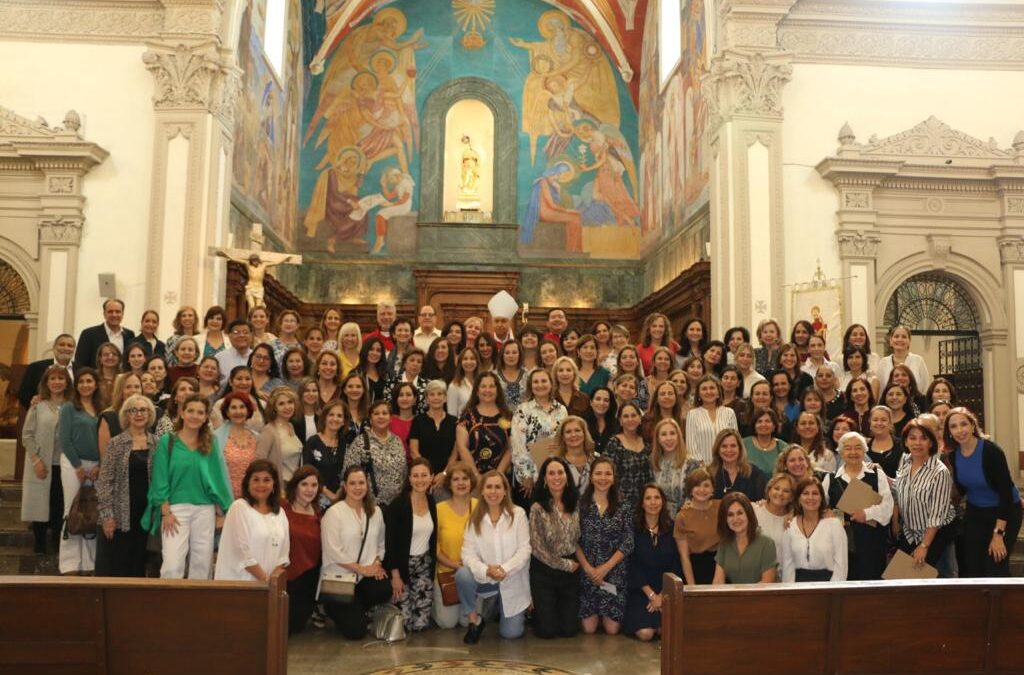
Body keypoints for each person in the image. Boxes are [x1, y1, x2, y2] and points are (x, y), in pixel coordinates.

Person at [143, 395, 234, 579]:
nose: (195, 416)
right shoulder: (168, 441)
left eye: (200, 412)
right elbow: (159, 477)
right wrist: (165, 511)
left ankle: (198, 598)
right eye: (190, 411)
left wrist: (224, 511)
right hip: (175, 510)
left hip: (205, 509)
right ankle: (169, 599)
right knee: (172, 566)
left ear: (206, 417)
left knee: (202, 566)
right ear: (182, 413)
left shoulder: (211, 442)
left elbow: (218, 478)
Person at [945, 407, 1022, 577]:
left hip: (1005, 512)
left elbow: (1006, 495)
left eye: (964, 424)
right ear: (949, 432)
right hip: (977, 513)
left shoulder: (991, 451)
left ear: (973, 425)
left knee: (995, 566)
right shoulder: (953, 456)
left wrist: (998, 534)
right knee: (973, 568)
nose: (960, 430)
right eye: (954, 426)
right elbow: (962, 489)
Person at [458, 471, 532, 643]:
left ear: (505, 491)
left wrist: (504, 569)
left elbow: (524, 550)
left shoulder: (518, 514)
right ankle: (475, 620)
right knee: (462, 574)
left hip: (512, 579)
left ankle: (495, 607)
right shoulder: (474, 519)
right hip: (486, 580)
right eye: (489, 487)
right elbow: (467, 554)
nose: (493, 491)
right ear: (482, 491)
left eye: (498, 487)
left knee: (511, 634)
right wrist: (486, 570)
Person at [320, 466, 390, 639]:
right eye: (352, 483)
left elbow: (381, 543)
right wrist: (362, 569)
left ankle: (356, 608)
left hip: (363, 579)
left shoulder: (375, 512)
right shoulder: (334, 513)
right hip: (340, 580)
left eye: (361, 483)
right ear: (344, 486)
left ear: (367, 485)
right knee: (356, 633)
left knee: (384, 588)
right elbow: (333, 550)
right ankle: (332, 608)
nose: (357, 487)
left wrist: (377, 563)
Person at [95, 395, 158, 577]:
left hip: (147, 514)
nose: (139, 414)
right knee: (119, 564)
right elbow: (104, 481)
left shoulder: (157, 442)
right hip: (120, 515)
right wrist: (107, 516)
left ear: (150, 414)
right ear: (126, 415)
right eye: (133, 410)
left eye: (143, 410)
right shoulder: (116, 443)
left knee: (141, 563)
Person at [822, 431, 893, 580]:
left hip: (872, 544)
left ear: (865, 451)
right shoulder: (830, 479)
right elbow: (820, 509)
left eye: (858, 447)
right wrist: (834, 516)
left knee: (872, 584)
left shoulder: (877, 474)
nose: (853, 452)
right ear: (841, 452)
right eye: (848, 448)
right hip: (841, 545)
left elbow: (888, 507)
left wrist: (867, 514)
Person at [576, 457, 633, 635]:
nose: (603, 478)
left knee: (612, 630)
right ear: (591, 477)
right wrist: (588, 569)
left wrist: (605, 568)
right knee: (589, 629)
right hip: (588, 572)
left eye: (608, 474)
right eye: (598, 473)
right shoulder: (580, 505)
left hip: (614, 573)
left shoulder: (624, 505)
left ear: (614, 478)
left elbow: (628, 541)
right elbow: (573, 540)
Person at [893, 419, 957, 574]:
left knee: (934, 580)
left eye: (923, 438)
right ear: (906, 441)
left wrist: (924, 546)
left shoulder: (939, 472)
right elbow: (901, 487)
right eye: (912, 438)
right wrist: (880, 474)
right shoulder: (905, 460)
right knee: (900, 577)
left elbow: (937, 514)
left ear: (931, 442)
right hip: (910, 532)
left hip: (936, 534)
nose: (917, 443)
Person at [529, 456, 582, 640]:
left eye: (560, 472)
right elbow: (537, 548)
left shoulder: (577, 504)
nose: (556, 477)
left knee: (569, 631)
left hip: (571, 573)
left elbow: (580, 539)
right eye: (551, 473)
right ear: (544, 479)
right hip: (545, 571)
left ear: (567, 477)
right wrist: (564, 565)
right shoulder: (537, 508)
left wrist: (575, 565)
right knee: (547, 631)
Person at [20, 365, 71, 554]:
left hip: (64, 464)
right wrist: (36, 460)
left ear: (67, 383)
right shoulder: (38, 405)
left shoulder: (73, 406)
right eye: (53, 379)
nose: (57, 382)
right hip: (41, 463)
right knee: (39, 503)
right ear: (46, 383)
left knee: (59, 505)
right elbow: (27, 436)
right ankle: (40, 543)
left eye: (61, 378)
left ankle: (58, 544)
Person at [384, 458, 438, 632]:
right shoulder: (397, 505)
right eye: (415, 476)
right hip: (401, 567)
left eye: (424, 475)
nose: (420, 480)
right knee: (404, 624)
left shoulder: (431, 502)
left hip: (423, 565)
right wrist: (395, 576)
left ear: (431, 477)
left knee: (421, 624)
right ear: (409, 478)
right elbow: (390, 544)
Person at [214, 459, 290, 582]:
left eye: (266, 480)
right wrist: (265, 580)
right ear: (247, 483)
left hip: (269, 586)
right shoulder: (239, 508)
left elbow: (283, 555)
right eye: (256, 479)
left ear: (274, 484)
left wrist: (272, 582)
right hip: (240, 585)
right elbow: (241, 552)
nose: (261, 485)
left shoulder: (280, 513)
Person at [57, 368, 101, 574]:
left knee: (91, 512)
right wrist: (78, 466)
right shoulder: (69, 407)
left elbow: (105, 439)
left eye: (89, 381)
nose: (85, 385)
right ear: (76, 385)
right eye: (81, 381)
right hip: (73, 464)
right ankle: (70, 564)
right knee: (72, 511)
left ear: (96, 384)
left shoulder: (101, 408)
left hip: (96, 466)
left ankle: (89, 563)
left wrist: (100, 465)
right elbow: (64, 439)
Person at [624, 484, 682, 641]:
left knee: (666, 630)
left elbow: (676, 564)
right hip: (641, 590)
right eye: (648, 498)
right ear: (642, 503)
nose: (653, 502)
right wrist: (651, 595)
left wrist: (662, 595)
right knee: (646, 634)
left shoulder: (671, 527)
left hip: (666, 590)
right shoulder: (633, 528)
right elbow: (633, 565)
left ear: (663, 501)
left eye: (657, 497)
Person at [511, 368, 568, 503]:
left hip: (555, 477)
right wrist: (526, 475)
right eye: (536, 382)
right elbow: (518, 444)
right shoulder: (523, 410)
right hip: (530, 478)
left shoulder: (562, 410)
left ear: (551, 384)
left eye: (544, 381)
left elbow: (565, 440)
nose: (540, 385)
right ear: (530, 386)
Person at [433, 463, 478, 629]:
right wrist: (453, 565)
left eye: (465, 478)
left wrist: (469, 565)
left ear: (471, 482)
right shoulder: (438, 509)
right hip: (446, 572)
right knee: (447, 624)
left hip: (472, 573)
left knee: (467, 623)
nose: (461, 483)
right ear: (449, 484)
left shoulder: (480, 507)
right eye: (456, 479)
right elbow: (434, 546)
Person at [780, 477, 848, 582]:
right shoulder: (790, 526)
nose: (810, 497)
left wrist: (832, 589)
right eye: (805, 493)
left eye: (815, 493)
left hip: (828, 584)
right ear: (798, 499)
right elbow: (787, 566)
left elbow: (841, 566)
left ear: (821, 498)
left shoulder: (834, 525)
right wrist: (790, 590)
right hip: (798, 585)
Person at [343, 400, 408, 507]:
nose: (381, 416)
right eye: (376, 413)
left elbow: (404, 473)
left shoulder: (397, 441)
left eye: (384, 413)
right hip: (369, 506)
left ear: (391, 418)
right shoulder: (360, 442)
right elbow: (348, 474)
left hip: (396, 506)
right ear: (370, 419)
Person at [283, 466, 322, 634]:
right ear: (295, 486)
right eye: (304, 484)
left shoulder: (318, 513)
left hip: (309, 578)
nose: (309, 489)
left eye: (314, 485)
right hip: (287, 576)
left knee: (296, 627)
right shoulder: (282, 508)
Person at [455, 372, 513, 478]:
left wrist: (498, 475)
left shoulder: (507, 416)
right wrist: (476, 476)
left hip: (500, 478)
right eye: (483, 386)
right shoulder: (466, 416)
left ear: (497, 390)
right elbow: (462, 447)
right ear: (477, 391)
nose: (487, 390)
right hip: (471, 479)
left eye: (491, 386)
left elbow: (511, 448)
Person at [712, 492, 777, 584]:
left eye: (740, 513)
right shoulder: (724, 544)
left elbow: (767, 582)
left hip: (762, 593)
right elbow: (718, 581)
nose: (735, 519)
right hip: (737, 593)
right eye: (730, 515)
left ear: (749, 514)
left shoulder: (766, 543)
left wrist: (740, 593)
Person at [409, 380, 458, 492]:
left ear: (445, 398)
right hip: (422, 479)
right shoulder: (418, 421)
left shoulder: (454, 422)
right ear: (426, 399)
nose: (436, 397)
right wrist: (427, 475)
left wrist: (444, 474)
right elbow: (413, 451)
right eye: (432, 394)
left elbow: (455, 453)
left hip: (447, 478)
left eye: (440, 394)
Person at [673, 468, 720, 584]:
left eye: (706, 485)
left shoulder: (722, 507)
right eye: (697, 485)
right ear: (690, 489)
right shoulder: (682, 516)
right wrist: (692, 587)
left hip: (722, 566)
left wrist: (761, 503)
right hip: (696, 570)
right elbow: (684, 557)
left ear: (713, 489)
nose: (702, 490)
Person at [602, 402, 653, 510]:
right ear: (620, 421)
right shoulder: (614, 443)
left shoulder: (647, 442)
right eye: (626, 416)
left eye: (633, 415)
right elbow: (604, 473)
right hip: (620, 505)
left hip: (646, 504)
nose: (630, 419)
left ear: (640, 418)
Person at [651, 418, 703, 515]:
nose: (669, 438)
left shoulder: (692, 464)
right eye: (664, 434)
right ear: (658, 439)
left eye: (672, 433)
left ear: (679, 436)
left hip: (685, 518)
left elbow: (698, 495)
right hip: (659, 518)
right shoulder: (653, 463)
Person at [686, 375, 739, 464]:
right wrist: (702, 467)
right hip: (702, 467)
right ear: (698, 394)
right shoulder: (692, 414)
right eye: (704, 389)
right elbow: (691, 447)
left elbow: (735, 441)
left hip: (727, 465)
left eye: (712, 388)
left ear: (718, 393)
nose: (708, 391)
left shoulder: (729, 412)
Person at [303, 399, 347, 505]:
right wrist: (328, 494)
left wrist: (339, 493)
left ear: (344, 421)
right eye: (331, 414)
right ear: (324, 418)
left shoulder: (344, 444)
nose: (335, 419)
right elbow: (306, 473)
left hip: (340, 499)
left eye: (339, 416)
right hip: (315, 499)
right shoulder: (313, 442)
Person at [216, 392, 259, 498]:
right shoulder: (216, 438)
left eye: (242, 407)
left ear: (248, 410)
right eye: (233, 407)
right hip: (224, 497)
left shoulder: (257, 437)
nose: (238, 411)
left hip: (251, 497)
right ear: (227, 412)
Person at [17, 334, 76, 410]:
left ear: (74, 349)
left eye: (70, 346)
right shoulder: (35, 368)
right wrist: (37, 408)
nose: (65, 348)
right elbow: (23, 394)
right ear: (54, 347)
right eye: (61, 345)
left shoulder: (81, 369)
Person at [256, 386, 303, 482]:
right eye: (281, 404)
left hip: (293, 484)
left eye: (290, 402)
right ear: (274, 407)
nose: (287, 407)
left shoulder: (291, 426)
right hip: (278, 484)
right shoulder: (269, 430)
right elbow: (259, 462)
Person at [75, 298, 135, 370]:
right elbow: (80, 363)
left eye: (118, 311)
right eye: (110, 311)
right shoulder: (88, 334)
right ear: (104, 314)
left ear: (122, 314)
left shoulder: (129, 335)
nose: (114, 315)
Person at [709, 429, 767, 501]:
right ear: (717, 449)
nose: (729, 450)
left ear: (740, 448)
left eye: (733, 446)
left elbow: (762, 502)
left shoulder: (755, 474)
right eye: (724, 446)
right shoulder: (709, 474)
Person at [97, 372, 143, 460]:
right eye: (128, 387)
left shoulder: (149, 415)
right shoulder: (108, 417)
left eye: (137, 387)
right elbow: (105, 458)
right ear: (120, 392)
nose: (133, 390)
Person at [877, 325, 932, 392]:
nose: (900, 339)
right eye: (896, 336)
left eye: (904, 337)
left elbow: (925, 387)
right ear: (891, 341)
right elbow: (880, 389)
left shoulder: (918, 361)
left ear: (909, 341)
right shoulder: (883, 363)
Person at [753, 473, 796, 557]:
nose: (780, 493)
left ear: (791, 497)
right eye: (776, 488)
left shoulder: (793, 520)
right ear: (769, 491)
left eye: (786, 491)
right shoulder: (753, 511)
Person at [743, 408, 787, 476]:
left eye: (767, 421)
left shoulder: (783, 447)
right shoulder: (743, 444)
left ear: (774, 426)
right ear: (754, 426)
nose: (763, 424)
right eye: (759, 421)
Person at [867, 404, 903, 478]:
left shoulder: (902, 445)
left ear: (890, 423)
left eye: (883, 420)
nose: (879, 423)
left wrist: (883, 476)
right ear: (870, 423)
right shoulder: (864, 447)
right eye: (875, 420)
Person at [216, 320, 254, 387]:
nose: (242, 335)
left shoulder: (257, 357)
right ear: (229, 336)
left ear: (251, 335)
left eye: (245, 332)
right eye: (236, 332)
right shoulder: (219, 358)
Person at [584, 386, 618, 455]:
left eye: (606, 400)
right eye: (598, 399)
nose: (602, 403)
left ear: (610, 404)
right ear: (591, 402)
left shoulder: (616, 424)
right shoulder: (582, 423)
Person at [447, 346, 479, 416]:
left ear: (477, 361)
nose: (469, 362)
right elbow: (451, 414)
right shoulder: (454, 386)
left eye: (472, 358)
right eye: (465, 359)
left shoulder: (482, 383)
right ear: (460, 363)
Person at [496, 340, 528, 409]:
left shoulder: (527, 375)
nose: (511, 356)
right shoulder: (493, 376)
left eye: (514, 352)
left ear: (519, 355)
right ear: (502, 355)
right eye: (507, 353)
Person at [389, 382, 418, 454]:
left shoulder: (421, 421)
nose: (404, 398)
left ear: (415, 399)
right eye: (401, 395)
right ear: (396, 399)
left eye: (408, 395)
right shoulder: (388, 421)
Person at [358, 336, 388, 402]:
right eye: (371, 349)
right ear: (365, 350)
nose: (375, 353)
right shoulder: (356, 373)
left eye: (378, 350)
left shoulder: (386, 374)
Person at [292, 377, 320, 441]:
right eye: (307, 391)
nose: (311, 394)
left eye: (314, 391)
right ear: (300, 393)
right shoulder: (293, 417)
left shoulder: (322, 417)